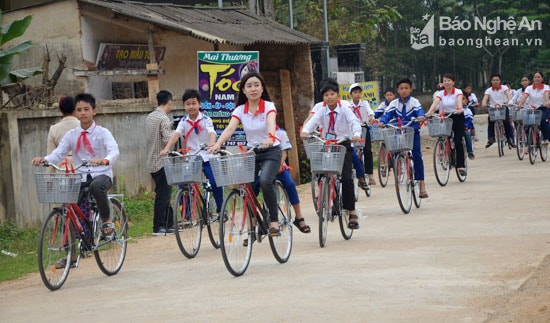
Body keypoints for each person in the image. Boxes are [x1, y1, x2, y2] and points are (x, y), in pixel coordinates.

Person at [32, 93, 119, 267]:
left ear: (94, 111)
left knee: (96, 187)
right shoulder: (72, 134)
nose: (83, 113)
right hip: (80, 176)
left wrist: (105, 160)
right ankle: (71, 254)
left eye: (86, 109)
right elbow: (59, 152)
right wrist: (45, 159)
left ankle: (106, 221)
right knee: (68, 209)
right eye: (79, 110)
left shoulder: (103, 132)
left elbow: (114, 150)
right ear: (75, 112)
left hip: (101, 174)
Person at [208, 72, 282, 236]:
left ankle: (274, 221)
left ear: (262, 88)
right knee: (246, 186)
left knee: (264, 181)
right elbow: (230, 128)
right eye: (249, 86)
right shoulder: (240, 110)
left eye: (256, 85)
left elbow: (271, 123)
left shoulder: (269, 106)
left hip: (271, 150)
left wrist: (270, 138)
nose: (253, 89)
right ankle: (253, 220)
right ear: (243, 90)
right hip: (252, 152)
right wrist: (218, 144)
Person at [300, 78, 362, 229]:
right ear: (323, 97)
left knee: (346, 178)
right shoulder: (321, 110)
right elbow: (312, 122)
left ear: (338, 95)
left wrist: (356, 134)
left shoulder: (345, 109)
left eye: (332, 94)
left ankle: (352, 211)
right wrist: (305, 131)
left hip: (342, 144)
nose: (329, 97)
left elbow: (354, 122)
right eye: (326, 95)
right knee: (321, 173)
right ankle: (328, 200)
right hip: (326, 144)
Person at [160, 89, 224, 218]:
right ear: (184, 106)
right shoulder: (183, 121)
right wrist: (167, 148)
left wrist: (212, 143)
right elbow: (176, 135)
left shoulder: (206, 119)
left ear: (199, 104)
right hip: (192, 158)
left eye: (194, 103)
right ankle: (187, 215)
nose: (191, 106)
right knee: (184, 184)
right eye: (188, 104)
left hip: (208, 155)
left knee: (215, 181)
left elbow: (212, 132)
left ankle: (221, 209)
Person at [379, 78, 428, 197]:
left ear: (410, 89)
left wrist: (421, 116)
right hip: (398, 132)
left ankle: (421, 183)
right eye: (401, 88)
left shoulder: (414, 102)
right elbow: (387, 114)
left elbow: (419, 111)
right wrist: (382, 121)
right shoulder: (394, 103)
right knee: (395, 152)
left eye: (406, 88)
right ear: (398, 90)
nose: (404, 91)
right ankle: (399, 171)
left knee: (417, 156)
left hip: (412, 131)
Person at [146, 90, 175, 236]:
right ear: (169, 102)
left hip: (151, 161)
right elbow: (167, 140)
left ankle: (170, 224)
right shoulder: (164, 119)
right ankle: (158, 226)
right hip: (162, 161)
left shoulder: (150, 117)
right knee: (163, 196)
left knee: (163, 194)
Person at [273, 127, 310, 233]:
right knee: (252, 188)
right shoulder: (254, 131)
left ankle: (299, 217)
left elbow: (284, 152)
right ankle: (252, 225)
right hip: (261, 169)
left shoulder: (280, 132)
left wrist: (279, 164)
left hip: (279, 168)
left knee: (289, 184)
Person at [427, 74, 466, 175]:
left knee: (458, 140)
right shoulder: (440, 93)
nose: (446, 82)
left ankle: (461, 165)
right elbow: (435, 103)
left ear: (453, 82)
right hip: (444, 117)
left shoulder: (458, 92)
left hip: (456, 115)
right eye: (444, 81)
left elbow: (459, 102)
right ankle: (447, 154)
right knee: (444, 136)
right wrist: (429, 112)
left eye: (449, 80)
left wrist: (459, 108)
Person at [348, 82, 376, 186]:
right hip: (352, 130)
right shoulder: (348, 105)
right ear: (351, 94)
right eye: (355, 92)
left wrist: (371, 116)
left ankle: (370, 175)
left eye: (359, 92)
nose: (357, 94)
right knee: (351, 151)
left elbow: (370, 111)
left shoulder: (364, 103)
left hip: (363, 128)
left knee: (368, 150)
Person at [481, 74, 515, 148]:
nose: (495, 81)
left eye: (497, 80)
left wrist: (509, 101)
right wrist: (484, 103)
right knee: (490, 122)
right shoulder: (488, 90)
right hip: (493, 108)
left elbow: (508, 95)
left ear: (500, 81)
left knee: (506, 122)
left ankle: (510, 139)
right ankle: (491, 138)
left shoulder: (504, 88)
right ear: (491, 81)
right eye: (494, 80)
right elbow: (485, 98)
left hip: (503, 107)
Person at [516, 71, 550, 143]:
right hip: (531, 108)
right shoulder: (529, 88)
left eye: (538, 77)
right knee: (527, 124)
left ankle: (546, 138)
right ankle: (532, 140)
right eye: (535, 77)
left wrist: (547, 102)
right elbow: (524, 97)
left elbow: (546, 95)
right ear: (533, 79)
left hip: (542, 108)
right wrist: (520, 104)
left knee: (542, 120)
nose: (536, 79)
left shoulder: (546, 87)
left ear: (542, 78)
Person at [462, 94, 475, 160]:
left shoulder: (467, 110)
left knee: (467, 133)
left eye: (463, 99)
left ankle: (470, 151)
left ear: (467, 100)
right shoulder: (452, 109)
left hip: (464, 127)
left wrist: (466, 126)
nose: (461, 100)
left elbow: (470, 120)